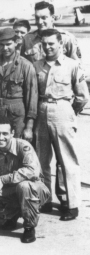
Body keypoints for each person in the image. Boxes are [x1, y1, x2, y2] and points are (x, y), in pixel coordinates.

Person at [33, 30, 88, 220]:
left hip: (62, 109)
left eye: (51, 44)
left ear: (60, 45)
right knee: (42, 159)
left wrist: (70, 111)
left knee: (67, 160)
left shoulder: (72, 65)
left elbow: (82, 96)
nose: (47, 47)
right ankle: (45, 199)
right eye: (44, 44)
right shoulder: (36, 65)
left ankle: (71, 204)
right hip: (41, 111)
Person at [0, 115, 50, 243]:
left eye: (5, 133)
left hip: (35, 189)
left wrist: (2, 179)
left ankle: (29, 227)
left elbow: (32, 171)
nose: (1, 137)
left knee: (24, 186)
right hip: (12, 190)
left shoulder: (23, 146)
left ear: (12, 133)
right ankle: (11, 216)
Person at [0, 28, 38, 141]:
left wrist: (29, 127)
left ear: (16, 42)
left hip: (17, 118)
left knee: (16, 149)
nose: (5, 48)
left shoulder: (26, 66)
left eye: (8, 44)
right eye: (1, 45)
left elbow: (32, 98)